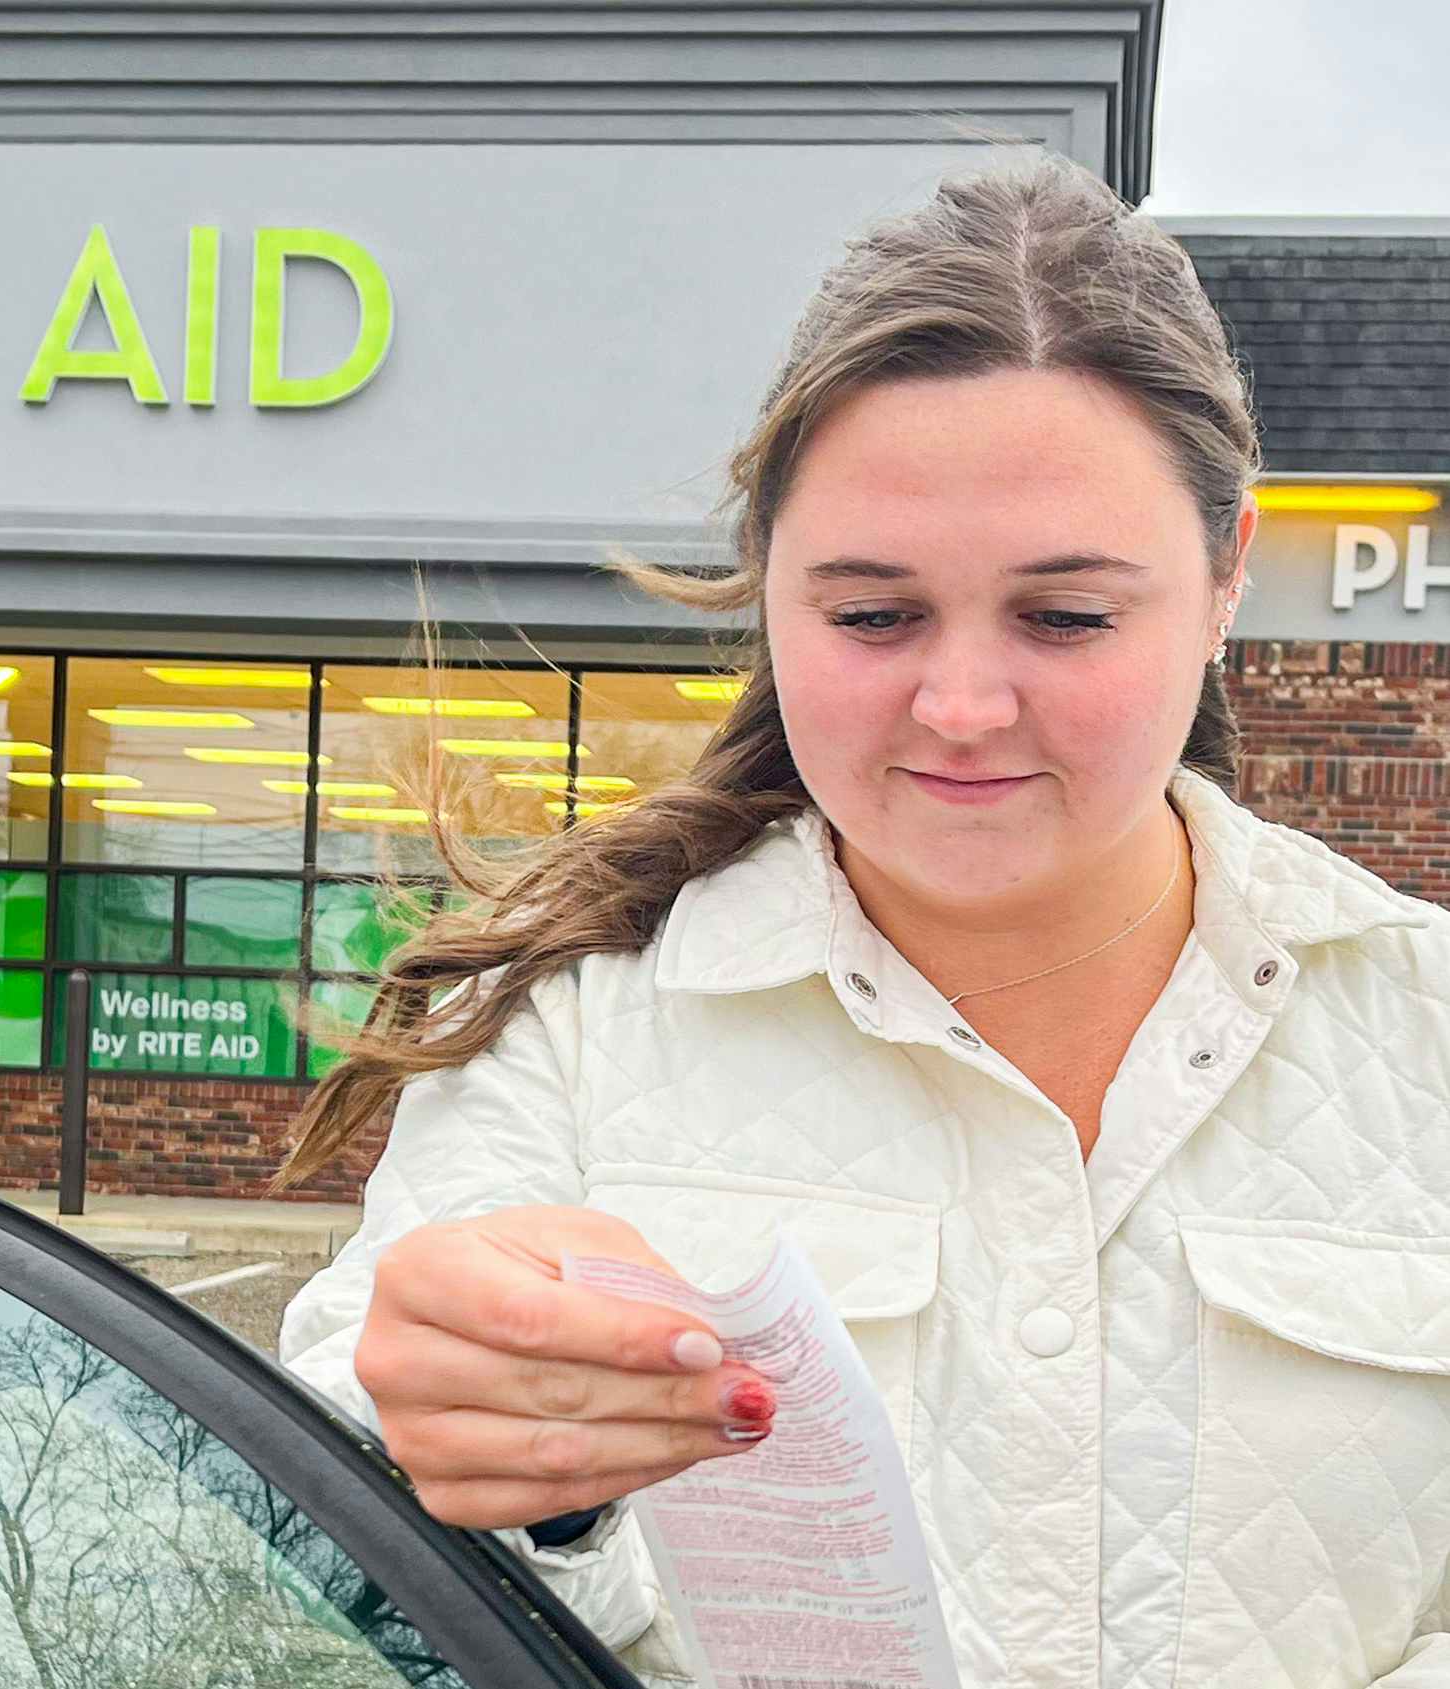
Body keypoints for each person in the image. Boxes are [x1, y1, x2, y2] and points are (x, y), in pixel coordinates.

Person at [273, 151, 1450, 1689]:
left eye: (1068, 615)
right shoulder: (576, 1035)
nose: (960, 706)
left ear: (1228, 575)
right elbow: (326, 1583)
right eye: (873, 614)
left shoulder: (1426, 1041)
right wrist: (510, 1479)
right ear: (771, 588)